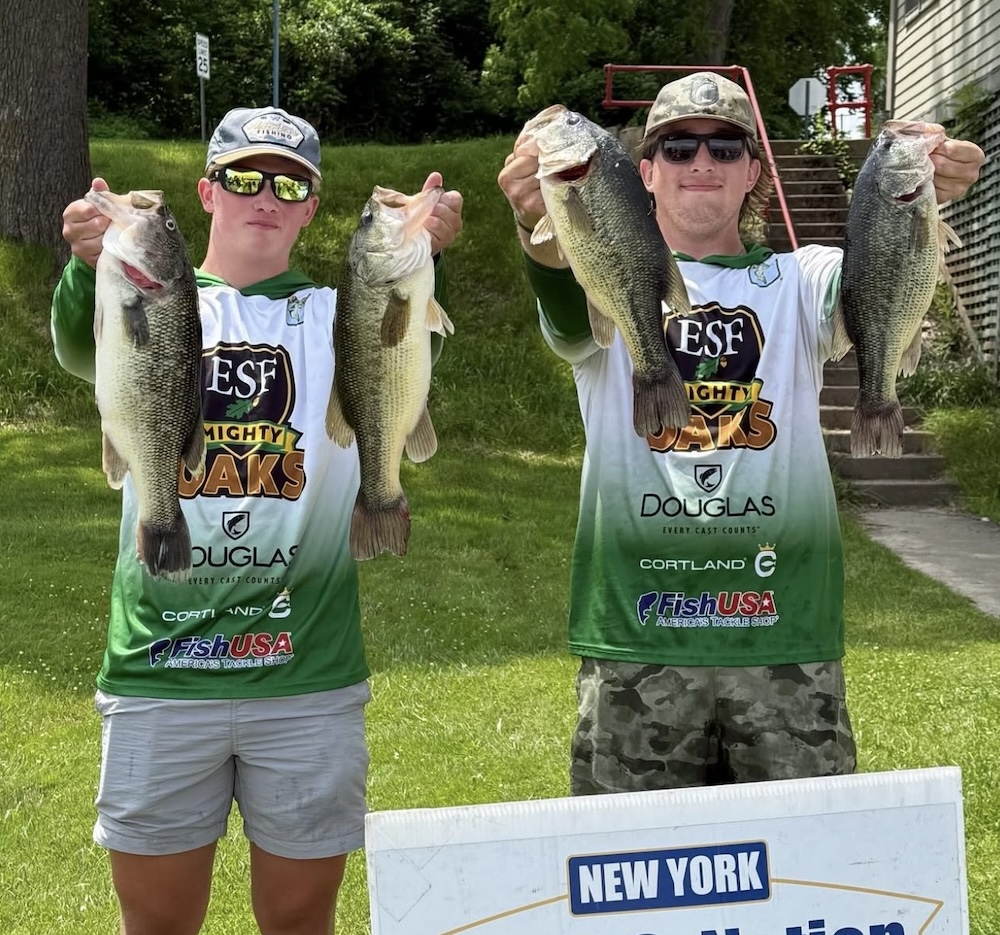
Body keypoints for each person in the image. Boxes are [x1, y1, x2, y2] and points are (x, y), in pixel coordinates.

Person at [497, 72, 984, 795]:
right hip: (637, 641)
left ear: (754, 172)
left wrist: (930, 188)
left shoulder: (801, 276)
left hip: (785, 640)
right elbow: (563, 291)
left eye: (725, 148)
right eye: (679, 146)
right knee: (640, 885)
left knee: (803, 883)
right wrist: (537, 219)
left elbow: (873, 287)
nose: (702, 162)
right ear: (646, 172)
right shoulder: (604, 274)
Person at [51, 106, 463, 935]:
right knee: (156, 925)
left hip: (306, 677)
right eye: (244, 177)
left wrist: (428, 254)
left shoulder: (336, 310)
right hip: (160, 674)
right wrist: (86, 262)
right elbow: (76, 341)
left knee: (301, 923)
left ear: (312, 206)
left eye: (289, 182)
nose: (264, 196)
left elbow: (397, 341)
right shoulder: (151, 294)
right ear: (208, 192)